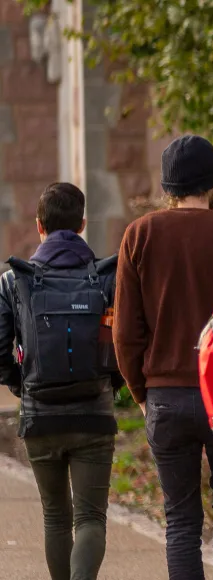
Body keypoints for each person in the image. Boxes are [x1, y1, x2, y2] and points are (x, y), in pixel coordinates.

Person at [114, 135, 213, 580]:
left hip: (165, 394)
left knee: (181, 519)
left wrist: (142, 392)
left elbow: (125, 332)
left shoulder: (139, 235)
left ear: (167, 187)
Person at [0, 183, 121, 580]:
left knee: (55, 517)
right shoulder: (106, 278)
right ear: (83, 224)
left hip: (40, 416)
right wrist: (112, 386)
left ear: (39, 226)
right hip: (93, 414)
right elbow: (121, 343)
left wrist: (22, 385)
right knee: (90, 518)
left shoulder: (13, 281)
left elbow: (0, 349)